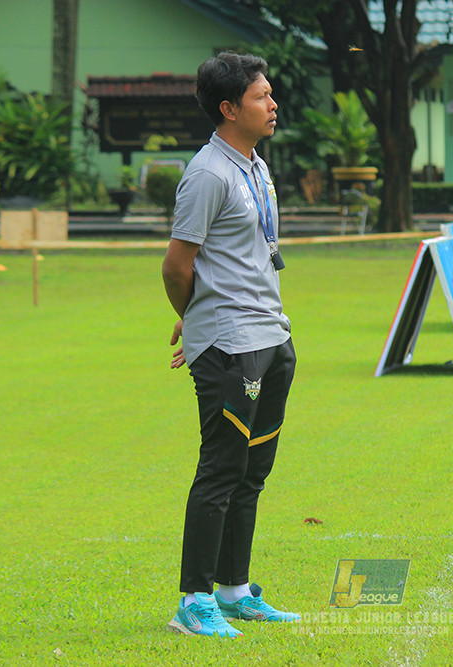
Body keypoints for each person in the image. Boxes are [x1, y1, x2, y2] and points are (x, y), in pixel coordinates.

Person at [161, 51, 299, 638]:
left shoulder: (256, 165)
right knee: (221, 469)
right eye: (261, 96)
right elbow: (176, 265)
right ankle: (193, 603)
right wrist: (193, 317)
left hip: (272, 336)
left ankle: (234, 591)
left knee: (251, 471)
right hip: (230, 345)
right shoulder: (207, 174)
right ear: (229, 108)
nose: (273, 103)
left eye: (270, 94)